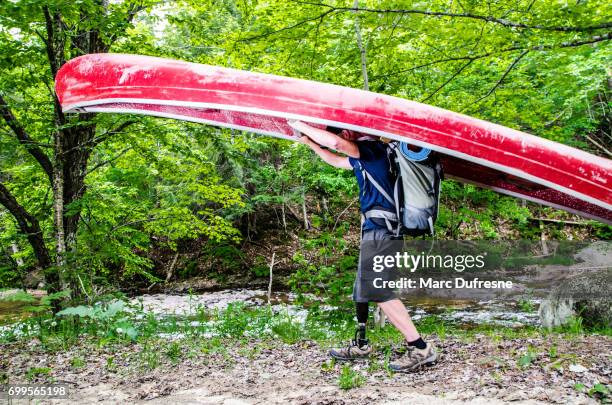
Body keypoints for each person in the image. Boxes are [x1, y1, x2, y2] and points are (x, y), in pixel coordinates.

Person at [288, 120, 438, 373]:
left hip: (384, 230)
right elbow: (335, 159)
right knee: (363, 287)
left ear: (349, 133)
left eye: (341, 133)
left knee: (378, 289)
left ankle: (421, 348)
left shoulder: (373, 150)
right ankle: (362, 344)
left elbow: (335, 143)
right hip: (375, 229)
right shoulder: (365, 158)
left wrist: (298, 123)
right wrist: (310, 143)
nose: (340, 138)